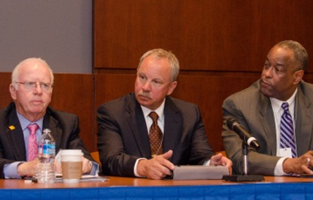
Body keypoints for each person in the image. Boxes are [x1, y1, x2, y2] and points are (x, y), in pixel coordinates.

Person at [97, 49, 232, 179]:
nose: (145, 88)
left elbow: (202, 155)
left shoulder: (189, 114)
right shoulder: (113, 112)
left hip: (175, 195)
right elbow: (111, 159)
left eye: (156, 82)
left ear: (171, 88)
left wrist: (212, 164)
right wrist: (143, 166)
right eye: (142, 77)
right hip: (134, 194)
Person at [222, 40, 313, 176]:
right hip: (265, 190)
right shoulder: (239, 104)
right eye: (266, 65)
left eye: (277, 69)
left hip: (309, 188)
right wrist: (288, 165)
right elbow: (241, 159)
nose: (267, 74)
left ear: (297, 77)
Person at [0, 58, 97, 178]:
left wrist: (87, 166)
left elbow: (90, 163)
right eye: (30, 84)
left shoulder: (66, 123)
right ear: (13, 91)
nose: (38, 91)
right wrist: (24, 168)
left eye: (44, 85)